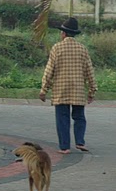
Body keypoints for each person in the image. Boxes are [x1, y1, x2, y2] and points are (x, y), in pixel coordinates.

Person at [39, 17, 97, 154]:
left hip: (61, 90)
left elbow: (49, 71)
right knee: (79, 117)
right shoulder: (82, 49)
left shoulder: (57, 48)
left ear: (64, 33)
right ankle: (80, 141)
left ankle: (65, 147)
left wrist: (43, 90)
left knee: (62, 119)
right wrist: (92, 91)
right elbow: (90, 71)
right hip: (78, 90)